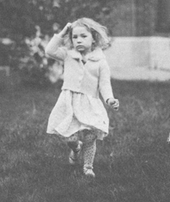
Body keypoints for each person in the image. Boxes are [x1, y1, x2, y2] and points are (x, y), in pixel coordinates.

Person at [45, 18, 120, 179]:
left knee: (90, 136)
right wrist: (62, 33)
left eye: (83, 36)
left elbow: (104, 84)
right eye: (75, 37)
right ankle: (76, 148)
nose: (78, 40)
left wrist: (110, 99)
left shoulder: (100, 62)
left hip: (90, 104)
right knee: (70, 138)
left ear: (93, 38)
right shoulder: (68, 55)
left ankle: (88, 167)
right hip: (70, 103)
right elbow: (50, 51)